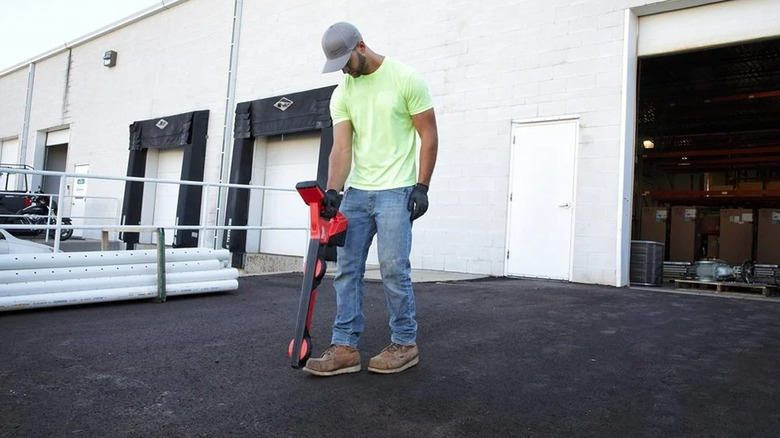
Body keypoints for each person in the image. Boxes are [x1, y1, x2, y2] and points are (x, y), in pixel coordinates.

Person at [303, 22, 438, 376]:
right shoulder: (342, 92)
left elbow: (429, 135)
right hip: (358, 194)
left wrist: (422, 186)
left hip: (397, 190)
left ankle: (405, 343)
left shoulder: (406, 78)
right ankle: (345, 346)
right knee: (346, 270)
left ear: (361, 46)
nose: (344, 70)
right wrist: (333, 190)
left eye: (346, 61)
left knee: (394, 270)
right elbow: (342, 147)